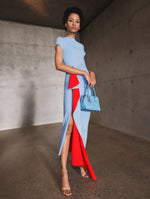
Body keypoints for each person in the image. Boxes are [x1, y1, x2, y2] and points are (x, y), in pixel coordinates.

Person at [55, 6, 96, 196]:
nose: (74, 23)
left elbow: (85, 66)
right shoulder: (60, 41)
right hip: (72, 86)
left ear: (79, 26)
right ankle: (64, 173)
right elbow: (59, 65)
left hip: (85, 87)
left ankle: (80, 163)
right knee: (69, 126)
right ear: (65, 23)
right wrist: (82, 73)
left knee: (82, 128)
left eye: (77, 21)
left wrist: (92, 74)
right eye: (71, 20)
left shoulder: (81, 46)